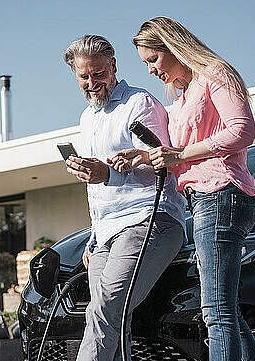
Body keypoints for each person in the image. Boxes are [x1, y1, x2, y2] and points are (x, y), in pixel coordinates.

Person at [110, 17, 255, 361]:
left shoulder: (215, 73)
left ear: (174, 46)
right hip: (202, 200)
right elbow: (179, 158)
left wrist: (179, 153)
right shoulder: (180, 100)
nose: (150, 71)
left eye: (153, 59)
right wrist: (144, 156)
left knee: (216, 313)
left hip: (222, 193)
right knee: (228, 312)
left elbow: (242, 131)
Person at [63, 34, 186, 361]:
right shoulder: (87, 118)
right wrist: (94, 238)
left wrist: (109, 173)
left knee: (104, 310)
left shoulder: (140, 103)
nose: (92, 83)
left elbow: (164, 166)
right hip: (105, 235)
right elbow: (98, 190)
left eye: (99, 73)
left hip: (148, 220)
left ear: (114, 66)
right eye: (84, 77)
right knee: (113, 318)